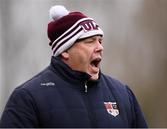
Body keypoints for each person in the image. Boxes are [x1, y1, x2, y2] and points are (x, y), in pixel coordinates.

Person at [0, 5, 148, 128]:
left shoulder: (122, 94)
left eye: (100, 41)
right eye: (90, 41)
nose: (100, 47)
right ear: (65, 51)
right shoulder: (27, 98)